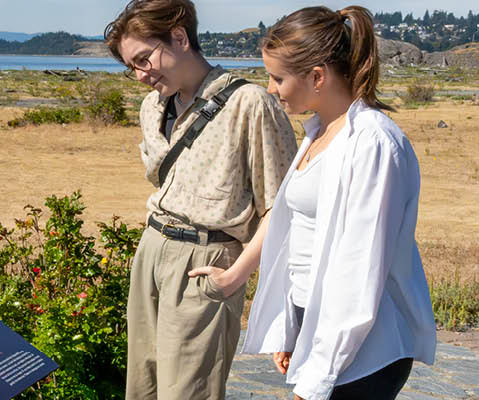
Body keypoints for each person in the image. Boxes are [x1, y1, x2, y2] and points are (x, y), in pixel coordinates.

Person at [187, 6, 437, 400]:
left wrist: (317, 376)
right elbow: (292, 227)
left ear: (317, 76)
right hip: (319, 330)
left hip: (366, 352)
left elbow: (358, 273)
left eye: (278, 77)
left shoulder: (371, 144)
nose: (270, 89)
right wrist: (292, 328)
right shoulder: (319, 132)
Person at [103, 1, 298, 398]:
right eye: (131, 67)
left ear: (179, 36)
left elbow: (280, 207)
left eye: (144, 59)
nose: (140, 75)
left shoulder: (250, 104)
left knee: (189, 394)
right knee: (142, 389)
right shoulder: (152, 107)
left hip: (206, 260)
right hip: (152, 250)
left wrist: (234, 276)